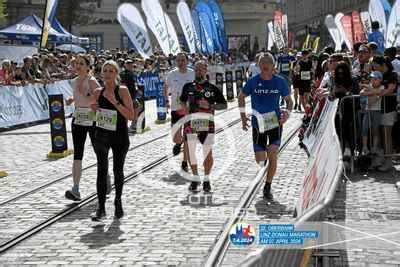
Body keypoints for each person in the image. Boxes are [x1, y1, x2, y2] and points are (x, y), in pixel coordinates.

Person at [238, 52, 293, 200]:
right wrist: (243, 117)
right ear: (258, 65)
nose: (266, 65)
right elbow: (241, 97)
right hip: (258, 124)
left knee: (273, 152)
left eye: (268, 62)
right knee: (261, 160)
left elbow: (289, 101)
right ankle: (267, 167)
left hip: (274, 123)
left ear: (273, 65)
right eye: (263, 62)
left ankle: (268, 185)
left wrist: (287, 113)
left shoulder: (280, 82)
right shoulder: (253, 82)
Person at [90, 60, 136, 220]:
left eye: (111, 71)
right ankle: (101, 207)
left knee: (118, 170)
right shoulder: (97, 92)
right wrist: (94, 110)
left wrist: (115, 102)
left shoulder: (122, 90)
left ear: (116, 74)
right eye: (105, 71)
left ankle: (118, 202)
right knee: (101, 170)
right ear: (101, 74)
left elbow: (131, 116)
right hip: (102, 135)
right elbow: (95, 116)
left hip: (119, 135)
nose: (108, 74)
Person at [65, 54, 112, 201]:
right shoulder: (73, 81)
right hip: (78, 119)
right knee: (77, 154)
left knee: (99, 152)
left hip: (92, 119)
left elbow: (101, 97)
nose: (77, 66)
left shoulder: (91, 80)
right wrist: (72, 99)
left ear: (87, 66)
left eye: (81, 63)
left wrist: (88, 96)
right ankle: (75, 188)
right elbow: (78, 96)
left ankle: (105, 178)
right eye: (76, 63)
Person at [180, 60, 227, 192]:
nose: (199, 71)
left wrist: (211, 106)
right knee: (191, 152)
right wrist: (186, 111)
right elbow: (182, 101)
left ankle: (206, 178)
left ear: (206, 71)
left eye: (201, 69)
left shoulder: (212, 88)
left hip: (207, 124)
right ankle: (195, 178)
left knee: (208, 153)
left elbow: (224, 104)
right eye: (197, 69)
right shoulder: (188, 86)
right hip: (191, 123)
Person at [164, 53, 195, 173]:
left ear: (187, 61)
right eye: (178, 60)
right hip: (176, 109)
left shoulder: (192, 73)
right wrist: (166, 100)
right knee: (175, 138)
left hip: (189, 110)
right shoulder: (172, 74)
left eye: (183, 60)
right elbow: (165, 87)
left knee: (188, 138)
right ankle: (179, 143)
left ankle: (184, 162)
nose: (180, 62)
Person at [371, 56, 398, 171]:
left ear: (382, 64)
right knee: (380, 134)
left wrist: (378, 94)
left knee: (387, 135)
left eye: (376, 65)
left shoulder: (392, 75)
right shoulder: (377, 75)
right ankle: (380, 158)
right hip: (377, 109)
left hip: (389, 109)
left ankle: (388, 161)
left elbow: (391, 89)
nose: (374, 67)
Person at [360, 71, 383, 160]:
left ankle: (374, 147)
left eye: (375, 79)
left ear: (380, 80)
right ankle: (365, 147)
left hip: (377, 111)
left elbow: (377, 95)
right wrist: (374, 93)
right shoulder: (369, 86)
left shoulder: (382, 86)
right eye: (372, 79)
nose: (373, 80)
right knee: (364, 128)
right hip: (367, 110)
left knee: (375, 129)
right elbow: (362, 93)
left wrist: (372, 93)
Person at [120, 59, 138, 133]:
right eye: (128, 64)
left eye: (131, 64)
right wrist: (125, 96)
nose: (130, 65)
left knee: (137, 107)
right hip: (127, 96)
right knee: (127, 111)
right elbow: (123, 85)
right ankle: (126, 127)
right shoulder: (123, 74)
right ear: (125, 65)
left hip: (133, 95)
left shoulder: (132, 73)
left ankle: (133, 125)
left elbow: (134, 84)